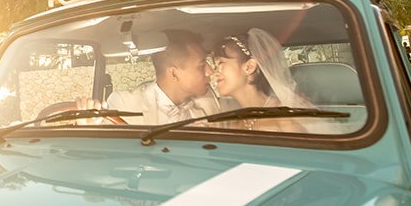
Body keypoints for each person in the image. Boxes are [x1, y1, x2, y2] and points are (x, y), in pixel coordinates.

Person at [87, 30, 218, 124]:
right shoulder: (125, 104)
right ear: (174, 74)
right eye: (201, 66)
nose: (210, 71)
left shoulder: (209, 103)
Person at [210, 28, 315, 132]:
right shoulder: (229, 118)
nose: (215, 73)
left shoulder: (283, 114)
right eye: (215, 66)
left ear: (249, 67)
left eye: (220, 63)